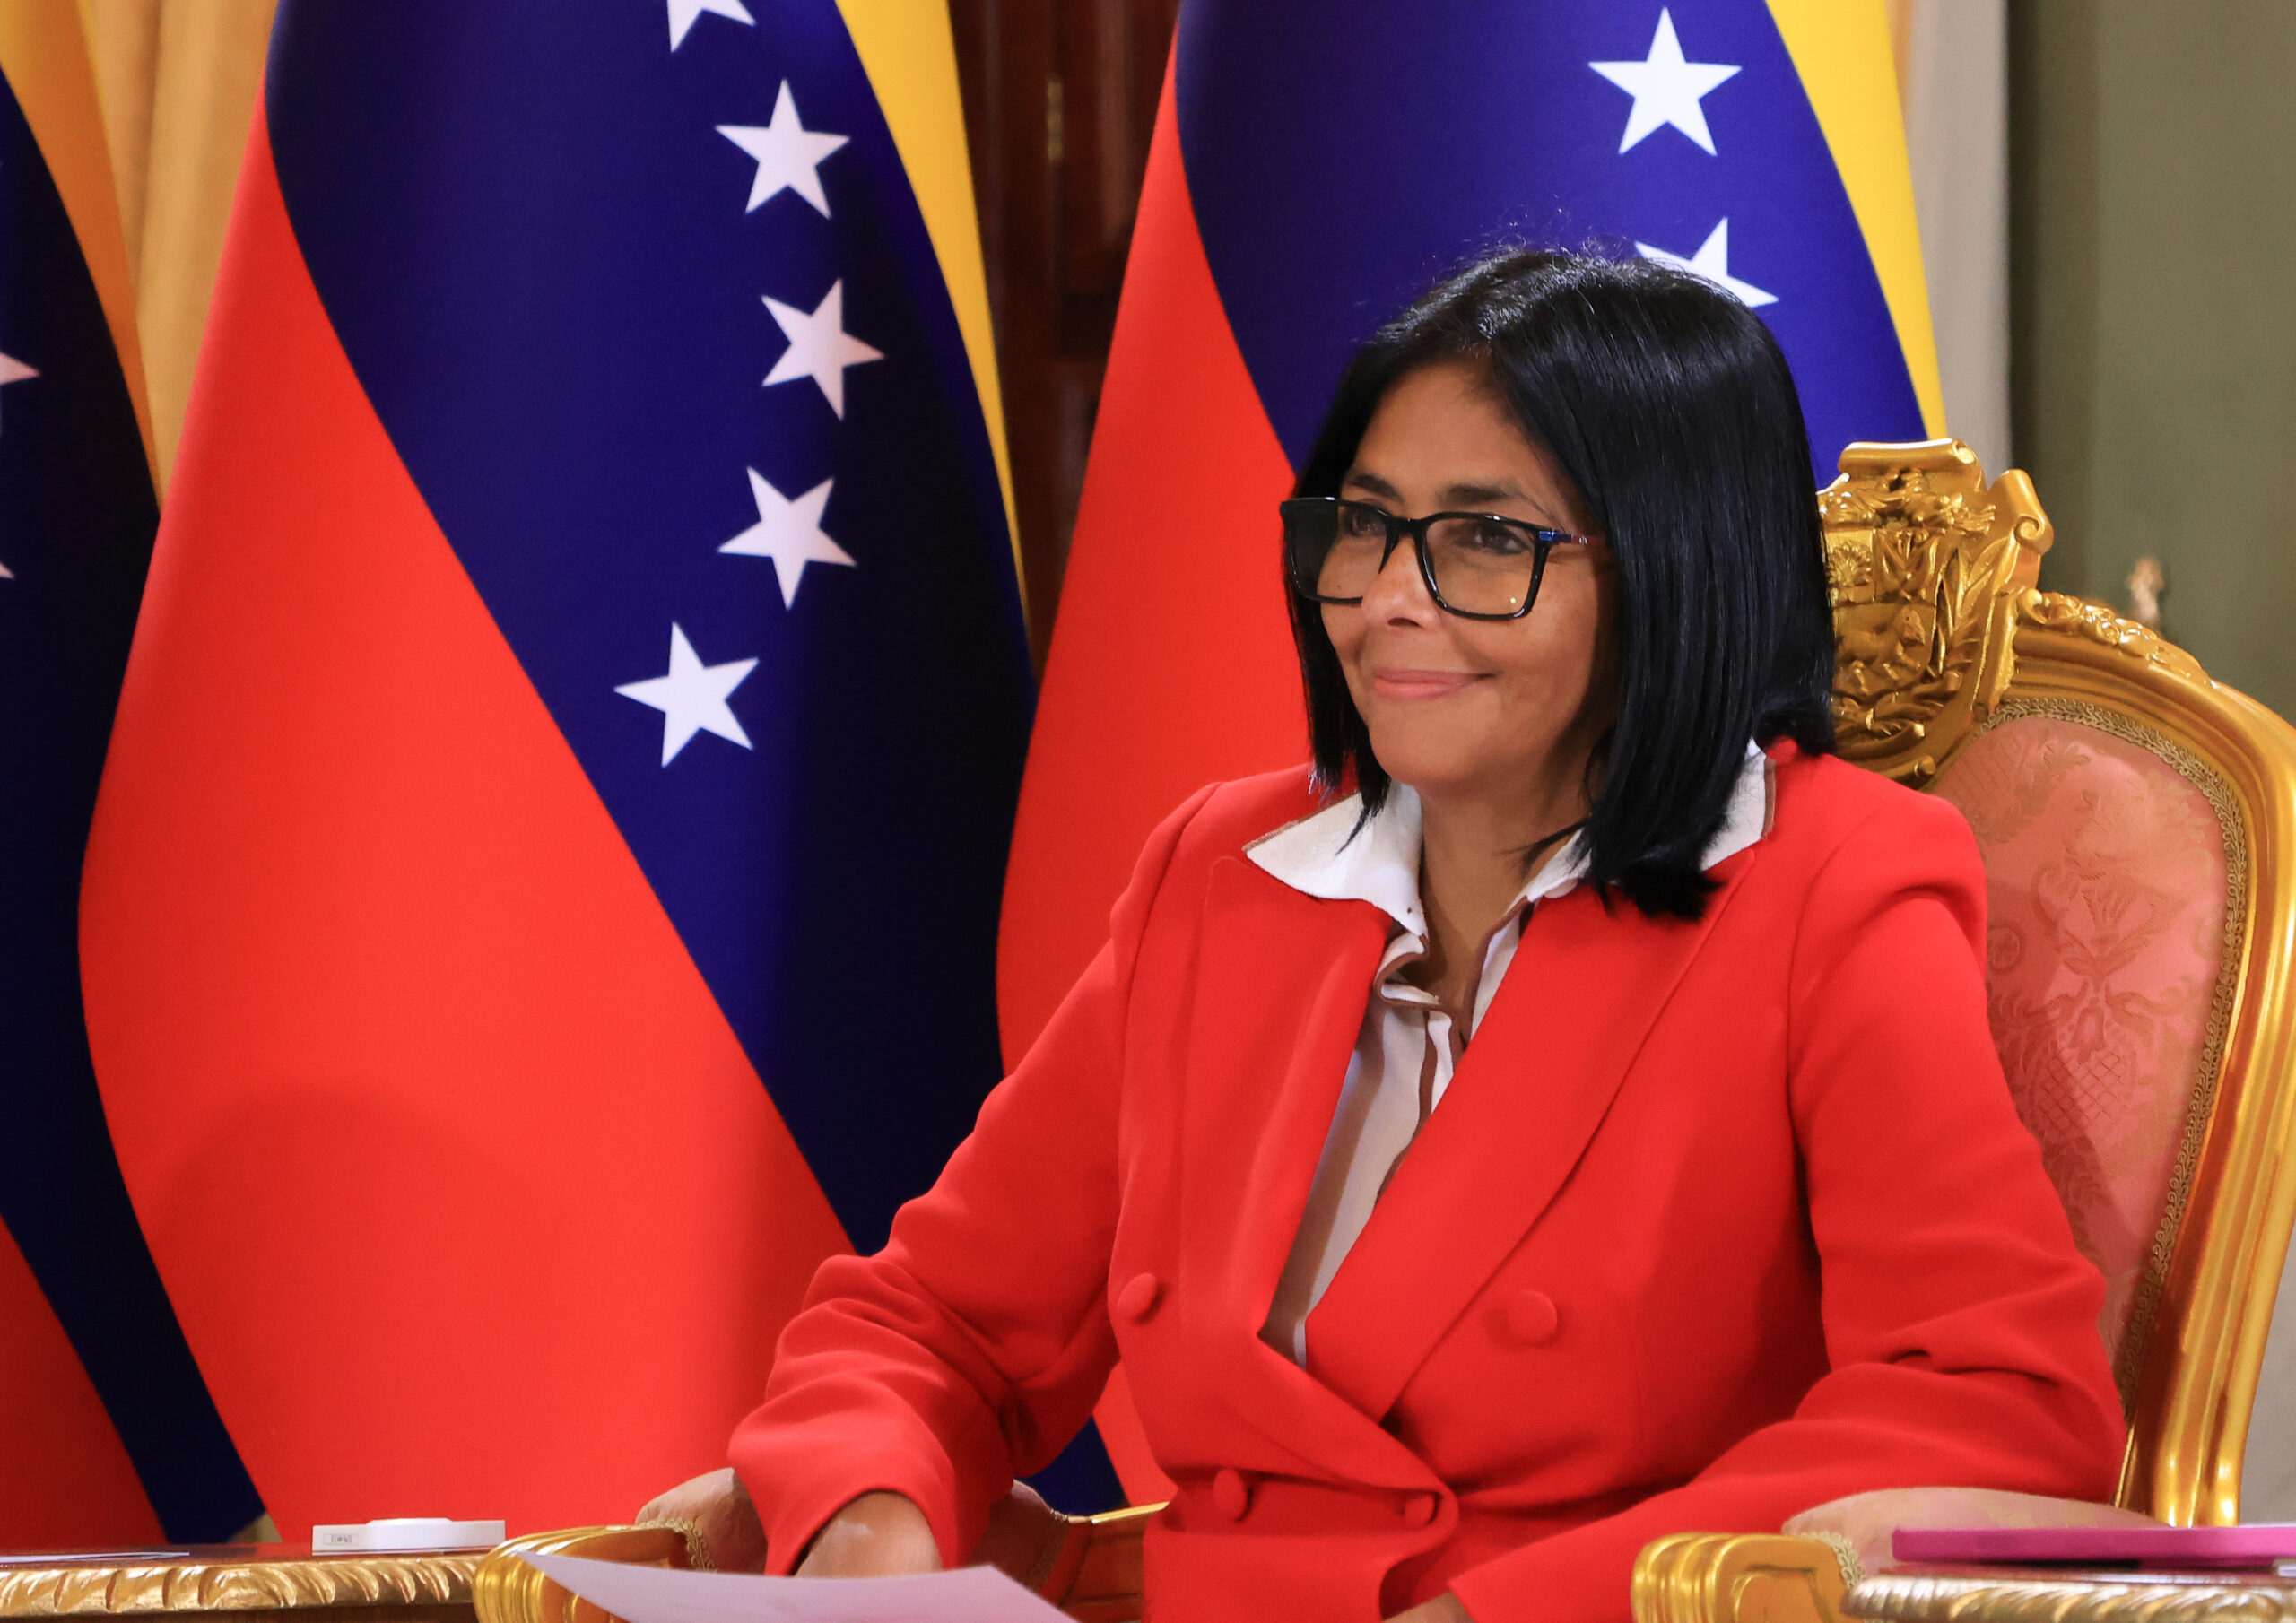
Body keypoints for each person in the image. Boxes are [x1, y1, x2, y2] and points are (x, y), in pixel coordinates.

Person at [643, 250, 2124, 1621]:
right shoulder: (1220, 872)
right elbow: (930, 1328)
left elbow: (1993, 1401)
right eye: (1364, 526)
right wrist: (873, 1523)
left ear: (1675, 568)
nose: (1388, 601)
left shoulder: (1835, 885)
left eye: (1483, 539)